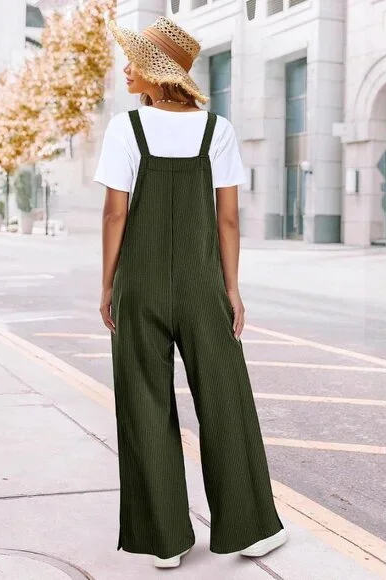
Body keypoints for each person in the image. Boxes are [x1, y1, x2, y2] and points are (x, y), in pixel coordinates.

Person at [93, 15, 288, 569]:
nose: (126, 69)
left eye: (135, 61)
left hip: (140, 283)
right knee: (226, 400)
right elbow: (229, 220)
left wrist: (107, 284)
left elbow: (114, 214)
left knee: (144, 403)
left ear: (157, 73)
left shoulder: (125, 129)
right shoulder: (216, 130)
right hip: (205, 286)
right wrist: (232, 289)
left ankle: (166, 541)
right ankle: (251, 530)